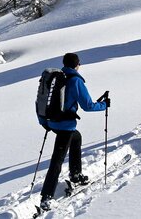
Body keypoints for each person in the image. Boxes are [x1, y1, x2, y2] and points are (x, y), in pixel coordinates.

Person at [36, 52, 108, 212]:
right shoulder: (75, 80)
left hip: (50, 122)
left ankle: (76, 174)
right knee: (57, 160)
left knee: (76, 138)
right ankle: (46, 197)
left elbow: (41, 99)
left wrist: (44, 122)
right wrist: (104, 105)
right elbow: (88, 106)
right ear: (77, 65)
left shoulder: (55, 77)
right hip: (64, 126)